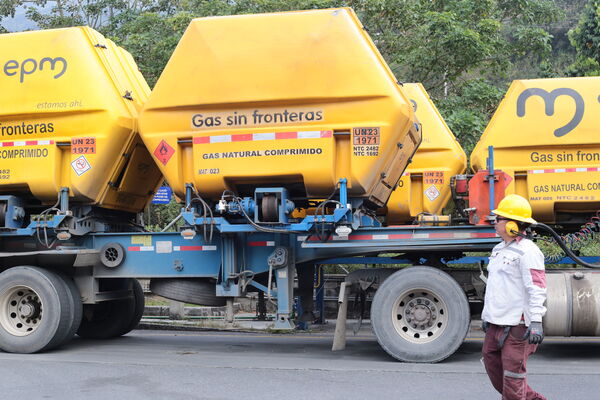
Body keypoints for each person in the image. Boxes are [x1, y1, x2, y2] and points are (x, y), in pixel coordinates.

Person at [481, 194, 547, 400]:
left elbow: (537, 287)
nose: (494, 222)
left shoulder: (529, 251)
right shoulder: (498, 249)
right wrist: (487, 316)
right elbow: (495, 287)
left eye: (498, 219)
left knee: (512, 377)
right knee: (491, 361)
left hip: (518, 327)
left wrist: (535, 320)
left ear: (511, 224)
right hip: (496, 323)